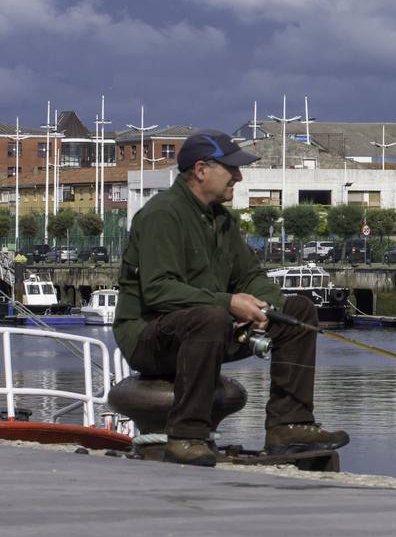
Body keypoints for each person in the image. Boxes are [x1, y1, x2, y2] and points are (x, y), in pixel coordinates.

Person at [113, 129, 349, 467]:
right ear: (200, 170)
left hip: (205, 329)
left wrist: (270, 307)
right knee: (210, 316)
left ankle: (289, 426)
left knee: (298, 313)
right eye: (231, 168)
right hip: (148, 338)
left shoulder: (222, 221)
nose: (238, 176)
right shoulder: (162, 214)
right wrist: (228, 303)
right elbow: (159, 290)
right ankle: (187, 436)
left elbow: (250, 276)